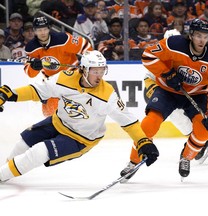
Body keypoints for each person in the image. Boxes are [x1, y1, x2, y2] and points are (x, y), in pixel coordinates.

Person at [0, 50, 159, 182]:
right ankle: (6, 172)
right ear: (83, 70)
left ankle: (2, 175)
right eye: (95, 71)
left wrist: (143, 142)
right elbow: (37, 91)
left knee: (40, 152)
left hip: (80, 139)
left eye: (102, 71)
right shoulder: (65, 77)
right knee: (23, 142)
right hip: (57, 122)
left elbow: (129, 122)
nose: (99, 76)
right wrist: (10, 94)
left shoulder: (107, 95)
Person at [120, 19, 208, 181]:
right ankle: (133, 161)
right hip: (167, 91)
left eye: (205, 36)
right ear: (191, 35)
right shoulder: (173, 44)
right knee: (149, 123)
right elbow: (148, 56)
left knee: (204, 129)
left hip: (197, 95)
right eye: (198, 35)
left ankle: (186, 157)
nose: (201, 40)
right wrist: (167, 73)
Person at [24, 16, 93, 117]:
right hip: (51, 81)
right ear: (34, 31)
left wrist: (87, 63)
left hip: (71, 76)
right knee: (49, 115)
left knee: (76, 111)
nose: (42, 33)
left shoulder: (63, 39)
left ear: (49, 29)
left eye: (44, 29)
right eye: (39, 30)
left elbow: (85, 45)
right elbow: (30, 73)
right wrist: (34, 67)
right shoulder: (31, 47)